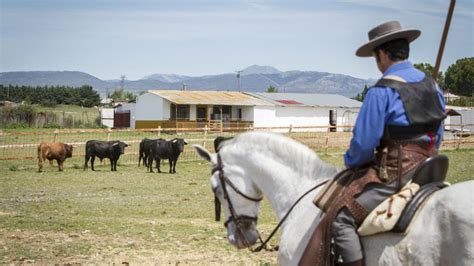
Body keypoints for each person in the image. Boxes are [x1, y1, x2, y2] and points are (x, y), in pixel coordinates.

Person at [300, 21, 446, 266]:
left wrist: (353, 162)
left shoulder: (382, 90)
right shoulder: (434, 86)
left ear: (382, 55)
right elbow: (438, 134)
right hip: (431, 167)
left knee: (341, 216)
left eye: (375, 57)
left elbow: (363, 144)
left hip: (396, 172)